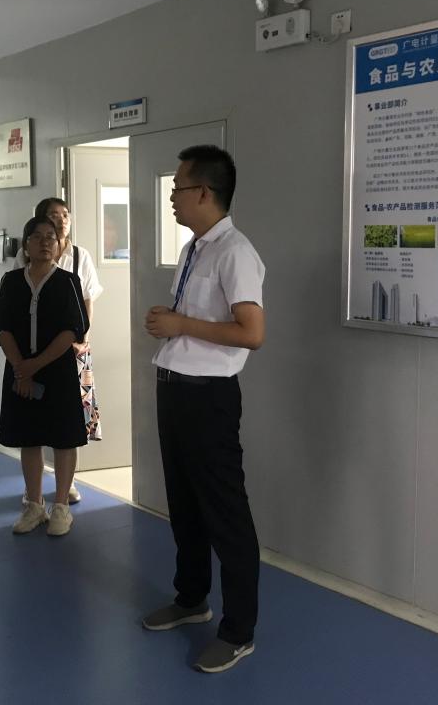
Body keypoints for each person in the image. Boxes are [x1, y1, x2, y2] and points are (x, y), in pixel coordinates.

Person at [142, 145, 265, 673]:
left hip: (208, 398)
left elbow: (252, 333)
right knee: (185, 504)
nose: (173, 197)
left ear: (204, 192)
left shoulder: (235, 252)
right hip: (175, 389)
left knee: (225, 513)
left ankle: (238, 631)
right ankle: (191, 597)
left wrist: (181, 325)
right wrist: (174, 322)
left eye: (178, 189)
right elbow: (199, 321)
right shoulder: (196, 247)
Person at [0, 216, 88, 536]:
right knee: (29, 436)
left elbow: (73, 330)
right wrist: (21, 367)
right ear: (26, 245)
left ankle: (61, 506)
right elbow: (2, 328)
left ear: (59, 245)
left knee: (64, 438)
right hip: (19, 369)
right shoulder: (11, 281)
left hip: (57, 370)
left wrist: (35, 365)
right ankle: (34, 505)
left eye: (52, 236)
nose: (45, 242)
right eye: (37, 236)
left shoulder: (67, 282)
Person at [18, 197, 104, 505]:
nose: (62, 220)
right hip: (34, 350)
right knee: (33, 422)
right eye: (54, 215)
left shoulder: (79, 255)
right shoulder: (26, 258)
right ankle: (34, 489)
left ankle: (65, 485)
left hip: (71, 349)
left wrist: (83, 337)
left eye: (65, 214)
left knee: (69, 421)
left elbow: (88, 298)